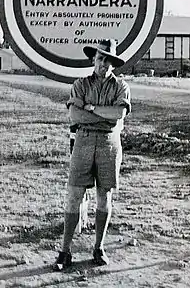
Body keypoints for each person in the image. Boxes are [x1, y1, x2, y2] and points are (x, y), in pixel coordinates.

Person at [53, 39, 131, 271]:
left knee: (104, 197)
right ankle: (65, 252)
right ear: (92, 60)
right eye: (100, 59)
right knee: (74, 195)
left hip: (109, 145)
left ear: (113, 64)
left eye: (108, 61)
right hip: (84, 142)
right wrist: (103, 119)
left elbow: (118, 115)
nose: (103, 65)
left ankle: (98, 247)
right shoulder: (80, 84)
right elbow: (75, 117)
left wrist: (93, 109)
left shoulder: (121, 87)